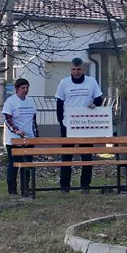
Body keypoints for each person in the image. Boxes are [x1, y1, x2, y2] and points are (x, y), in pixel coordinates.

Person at [54, 57, 103, 192]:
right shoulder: (64, 83)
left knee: (86, 156)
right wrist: (61, 123)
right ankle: (65, 186)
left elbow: (99, 100)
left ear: (83, 69)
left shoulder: (91, 82)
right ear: (70, 69)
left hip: (86, 124)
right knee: (66, 157)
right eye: (74, 69)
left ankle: (85, 185)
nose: (76, 72)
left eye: (79, 69)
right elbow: (59, 104)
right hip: (68, 125)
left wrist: (94, 104)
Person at [2, 77, 38, 198]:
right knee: (13, 165)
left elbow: (33, 121)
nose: (25, 90)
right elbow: (8, 120)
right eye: (23, 88)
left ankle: (25, 188)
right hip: (14, 140)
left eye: (27, 88)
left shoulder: (30, 101)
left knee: (27, 164)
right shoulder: (10, 102)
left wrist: (36, 136)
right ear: (17, 89)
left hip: (29, 138)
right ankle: (12, 190)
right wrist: (16, 130)